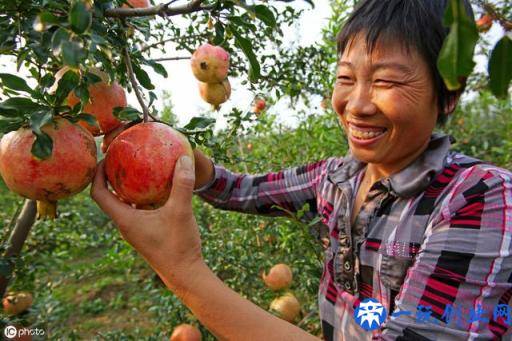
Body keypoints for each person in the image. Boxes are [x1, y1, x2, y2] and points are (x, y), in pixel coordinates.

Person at [91, 0, 512, 340]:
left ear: (448, 96)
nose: (358, 104)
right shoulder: (337, 178)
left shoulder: (481, 198)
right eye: (346, 78)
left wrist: (182, 271)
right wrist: (176, 157)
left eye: (386, 82)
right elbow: (240, 190)